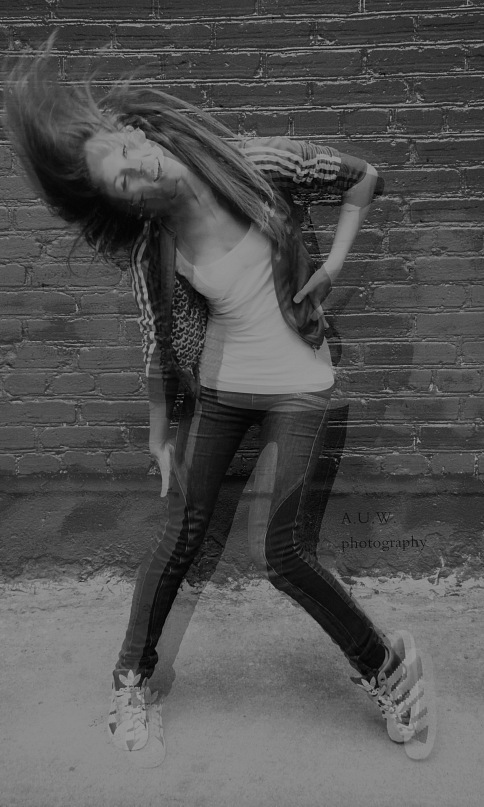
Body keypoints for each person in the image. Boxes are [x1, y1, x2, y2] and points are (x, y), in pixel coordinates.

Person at [4, 39, 435, 762]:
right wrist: (159, 429)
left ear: (137, 132)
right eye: (121, 184)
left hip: (300, 383)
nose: (138, 172)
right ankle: (129, 683)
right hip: (225, 388)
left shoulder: (254, 164)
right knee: (180, 534)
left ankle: (389, 667)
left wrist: (334, 264)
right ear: (120, 204)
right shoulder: (155, 245)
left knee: (284, 554)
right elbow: (157, 333)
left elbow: (365, 177)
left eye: (128, 153)